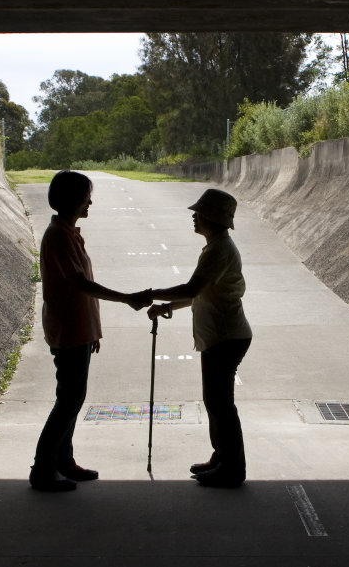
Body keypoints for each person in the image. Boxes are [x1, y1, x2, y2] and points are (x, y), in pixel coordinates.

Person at [31, 170, 151, 492]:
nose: (90, 203)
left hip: (78, 329)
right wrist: (126, 299)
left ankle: (63, 460)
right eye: (86, 197)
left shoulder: (67, 233)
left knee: (72, 397)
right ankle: (43, 467)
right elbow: (80, 284)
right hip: (68, 329)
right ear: (73, 200)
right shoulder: (59, 236)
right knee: (69, 400)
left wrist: (93, 331)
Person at [147, 188, 252, 488]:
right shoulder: (214, 247)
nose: (194, 216)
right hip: (220, 336)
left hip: (225, 336)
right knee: (215, 402)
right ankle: (222, 457)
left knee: (221, 404)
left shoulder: (219, 250)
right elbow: (200, 293)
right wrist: (167, 306)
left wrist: (149, 294)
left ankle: (232, 468)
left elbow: (192, 289)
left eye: (200, 213)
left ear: (213, 218)